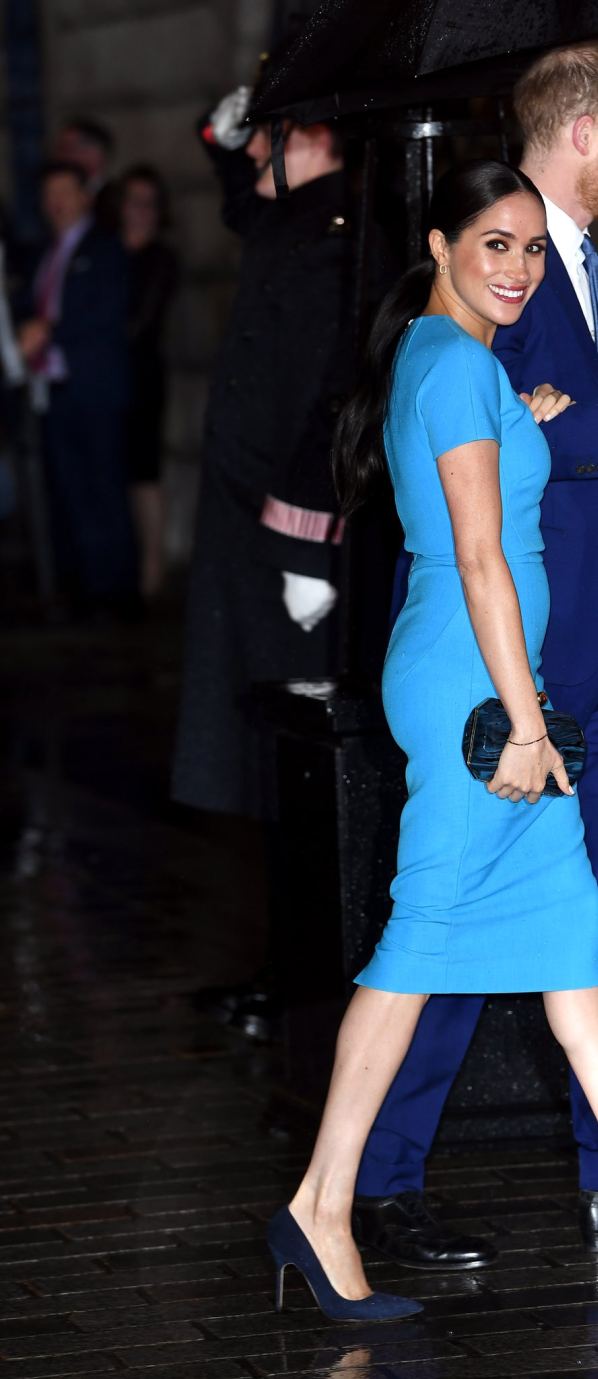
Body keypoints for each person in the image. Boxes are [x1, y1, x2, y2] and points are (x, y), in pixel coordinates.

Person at [267, 158, 598, 1321]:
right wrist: (531, 720)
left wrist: (537, 417)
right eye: (495, 244)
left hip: (492, 677)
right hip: (475, 691)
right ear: (440, 245)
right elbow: (485, 556)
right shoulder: (451, 365)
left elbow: (492, 488)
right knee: (421, 945)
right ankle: (322, 1203)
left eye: (533, 249)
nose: (518, 268)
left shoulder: (468, 366)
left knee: (574, 943)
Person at [171, 76, 372, 1036]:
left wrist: (304, 532)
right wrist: (238, 112)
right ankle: (283, 962)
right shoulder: (295, 214)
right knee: (261, 747)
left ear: (313, 136)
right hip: (250, 529)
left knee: (297, 762)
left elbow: (335, 393)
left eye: (273, 138)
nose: (256, 156)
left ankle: (307, 972)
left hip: (294, 534)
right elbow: (231, 172)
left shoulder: (342, 232)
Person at [16, 160, 137, 612]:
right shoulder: (44, 252)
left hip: (97, 387)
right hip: (56, 386)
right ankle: (87, 584)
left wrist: (49, 330)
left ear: (85, 195)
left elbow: (107, 313)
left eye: (65, 191)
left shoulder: (105, 248)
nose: (56, 202)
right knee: (70, 490)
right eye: (49, 194)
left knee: (105, 488)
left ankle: (117, 591)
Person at [118, 165, 179, 599]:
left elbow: (142, 323)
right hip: (109, 375)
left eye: (148, 203)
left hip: (140, 376)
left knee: (143, 473)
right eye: (132, 201)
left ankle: (151, 570)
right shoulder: (106, 251)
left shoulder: (159, 258)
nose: (140, 211)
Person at [54, 119, 119, 228]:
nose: (61, 157)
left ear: (96, 152)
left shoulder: (116, 198)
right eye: (62, 149)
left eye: (69, 149)